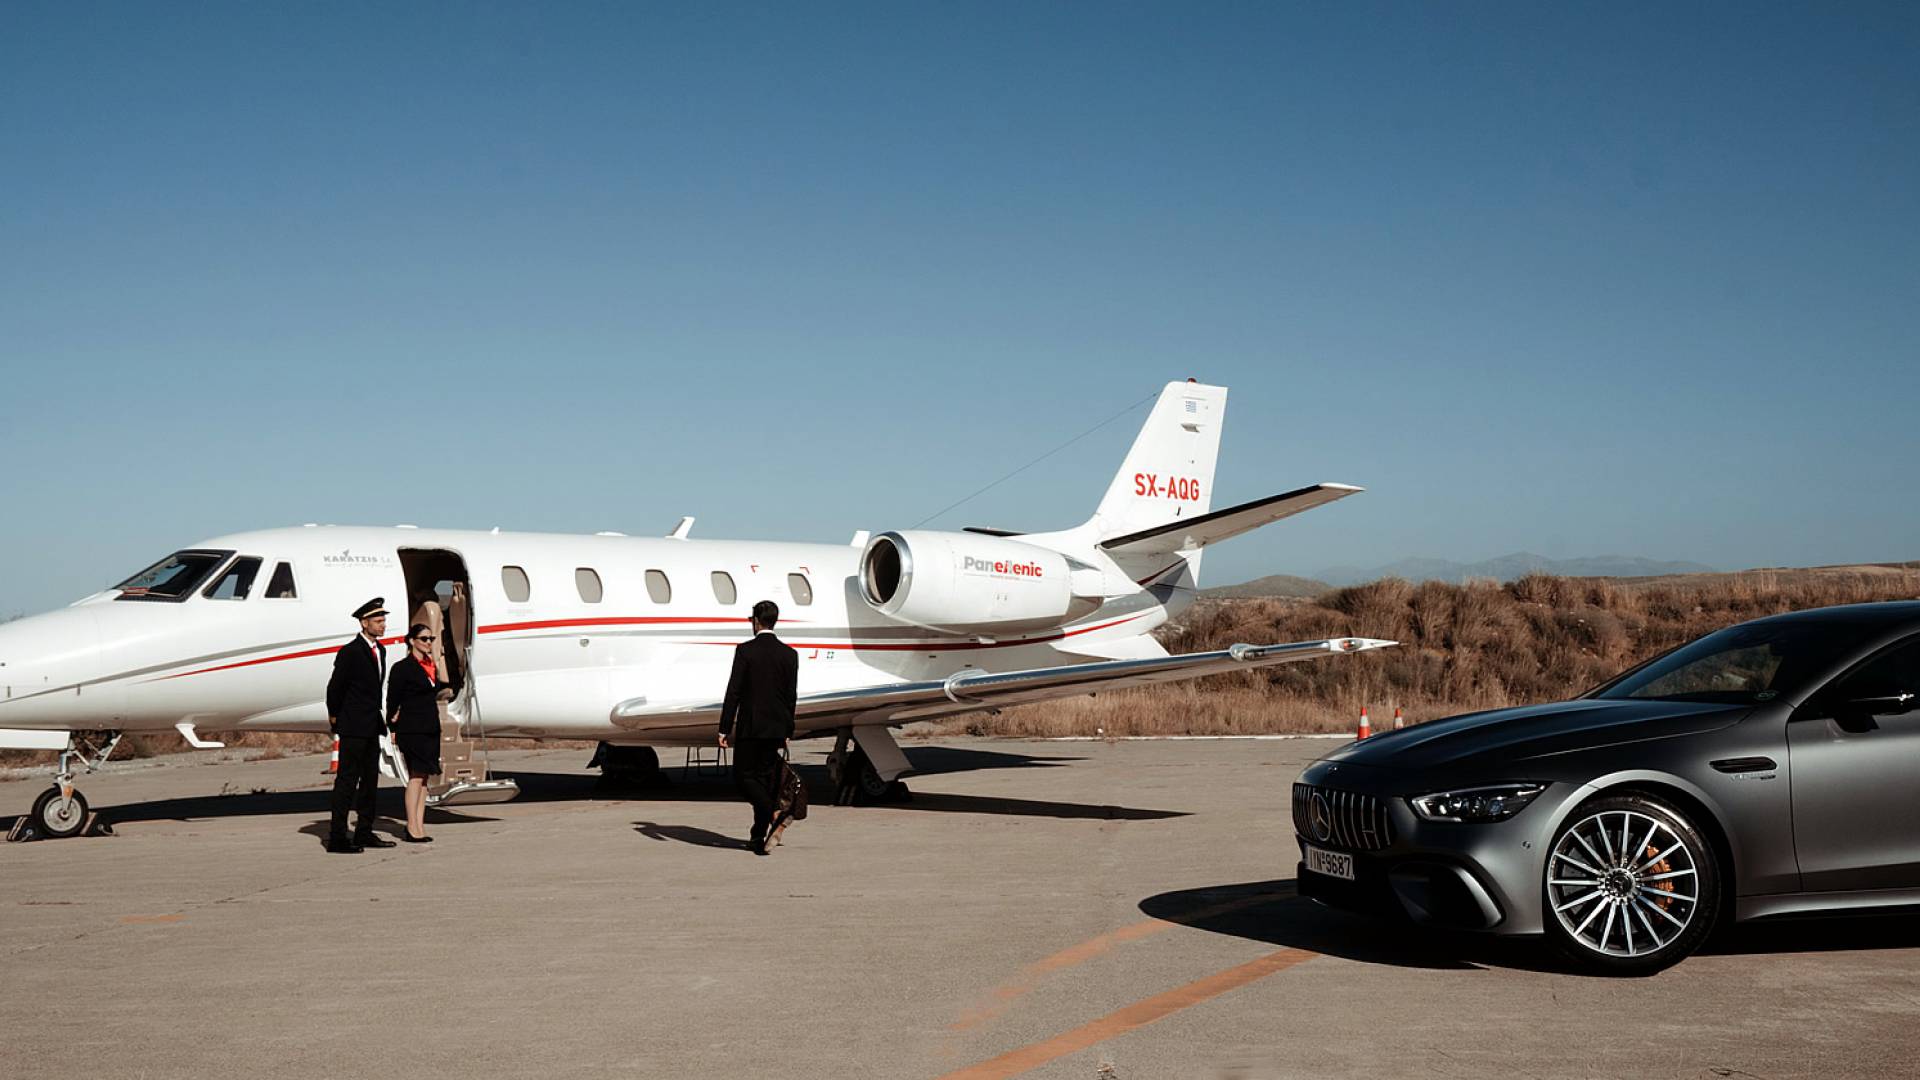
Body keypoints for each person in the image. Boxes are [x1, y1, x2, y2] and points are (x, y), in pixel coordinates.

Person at [718, 599, 798, 855]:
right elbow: (790, 696)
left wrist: (724, 727)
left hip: (751, 726)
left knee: (743, 778)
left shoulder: (746, 651)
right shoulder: (789, 654)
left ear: (755, 621)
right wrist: (788, 730)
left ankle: (775, 812)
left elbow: (734, 691)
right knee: (762, 780)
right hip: (776, 728)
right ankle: (757, 837)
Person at [324, 597, 396, 853]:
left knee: (370, 782)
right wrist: (336, 717)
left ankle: (364, 832)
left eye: (384, 620)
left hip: (372, 725)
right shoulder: (350, 652)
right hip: (353, 726)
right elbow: (335, 688)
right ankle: (337, 836)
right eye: (378, 621)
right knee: (347, 781)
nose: (383, 625)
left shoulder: (381, 650)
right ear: (364, 623)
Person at [386, 622, 455, 843]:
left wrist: (439, 659)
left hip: (429, 728)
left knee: (424, 777)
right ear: (411, 641)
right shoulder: (402, 668)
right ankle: (411, 826)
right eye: (424, 639)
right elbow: (392, 700)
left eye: (431, 639)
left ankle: (419, 825)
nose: (428, 643)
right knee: (415, 777)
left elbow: (444, 687)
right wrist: (392, 727)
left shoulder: (430, 665)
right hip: (411, 728)